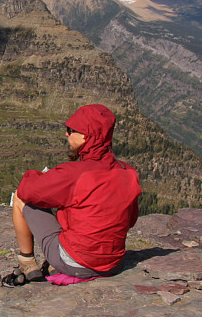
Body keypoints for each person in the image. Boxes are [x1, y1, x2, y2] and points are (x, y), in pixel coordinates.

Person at [10, 104, 141, 283]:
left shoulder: (75, 174)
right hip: (113, 264)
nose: (66, 134)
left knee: (20, 197)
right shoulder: (129, 172)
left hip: (76, 264)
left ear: (86, 136)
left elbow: (28, 191)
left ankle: (27, 263)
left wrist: (40, 176)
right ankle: (56, 263)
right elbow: (130, 220)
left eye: (71, 130)